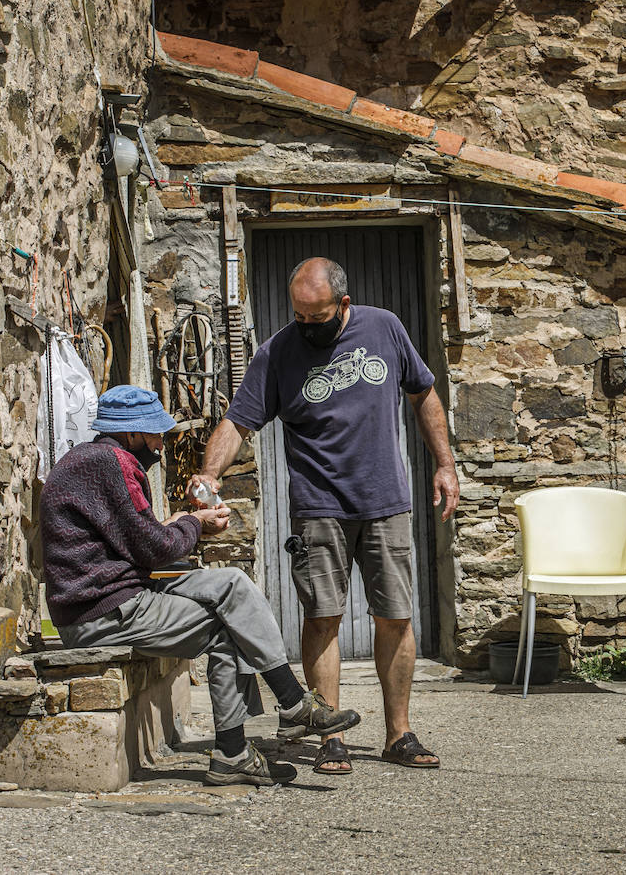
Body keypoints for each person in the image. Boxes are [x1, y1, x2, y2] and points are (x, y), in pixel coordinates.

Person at [190, 256, 459, 775]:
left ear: (344, 303)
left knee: (396, 617)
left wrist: (445, 465)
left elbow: (423, 392)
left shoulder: (384, 328)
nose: (307, 326)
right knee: (322, 618)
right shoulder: (277, 353)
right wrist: (210, 472)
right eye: (300, 316)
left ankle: (398, 733)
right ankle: (329, 733)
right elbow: (238, 422)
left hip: (386, 501)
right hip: (318, 507)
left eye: (318, 316)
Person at [40, 385, 360, 786]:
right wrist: (197, 524)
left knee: (231, 584)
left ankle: (257, 734)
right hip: (102, 611)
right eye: (155, 434)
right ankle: (273, 721)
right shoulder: (112, 462)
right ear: (133, 433)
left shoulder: (88, 459)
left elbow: (131, 538)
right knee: (228, 627)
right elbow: (152, 549)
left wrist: (178, 524)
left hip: (105, 600)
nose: (160, 445)